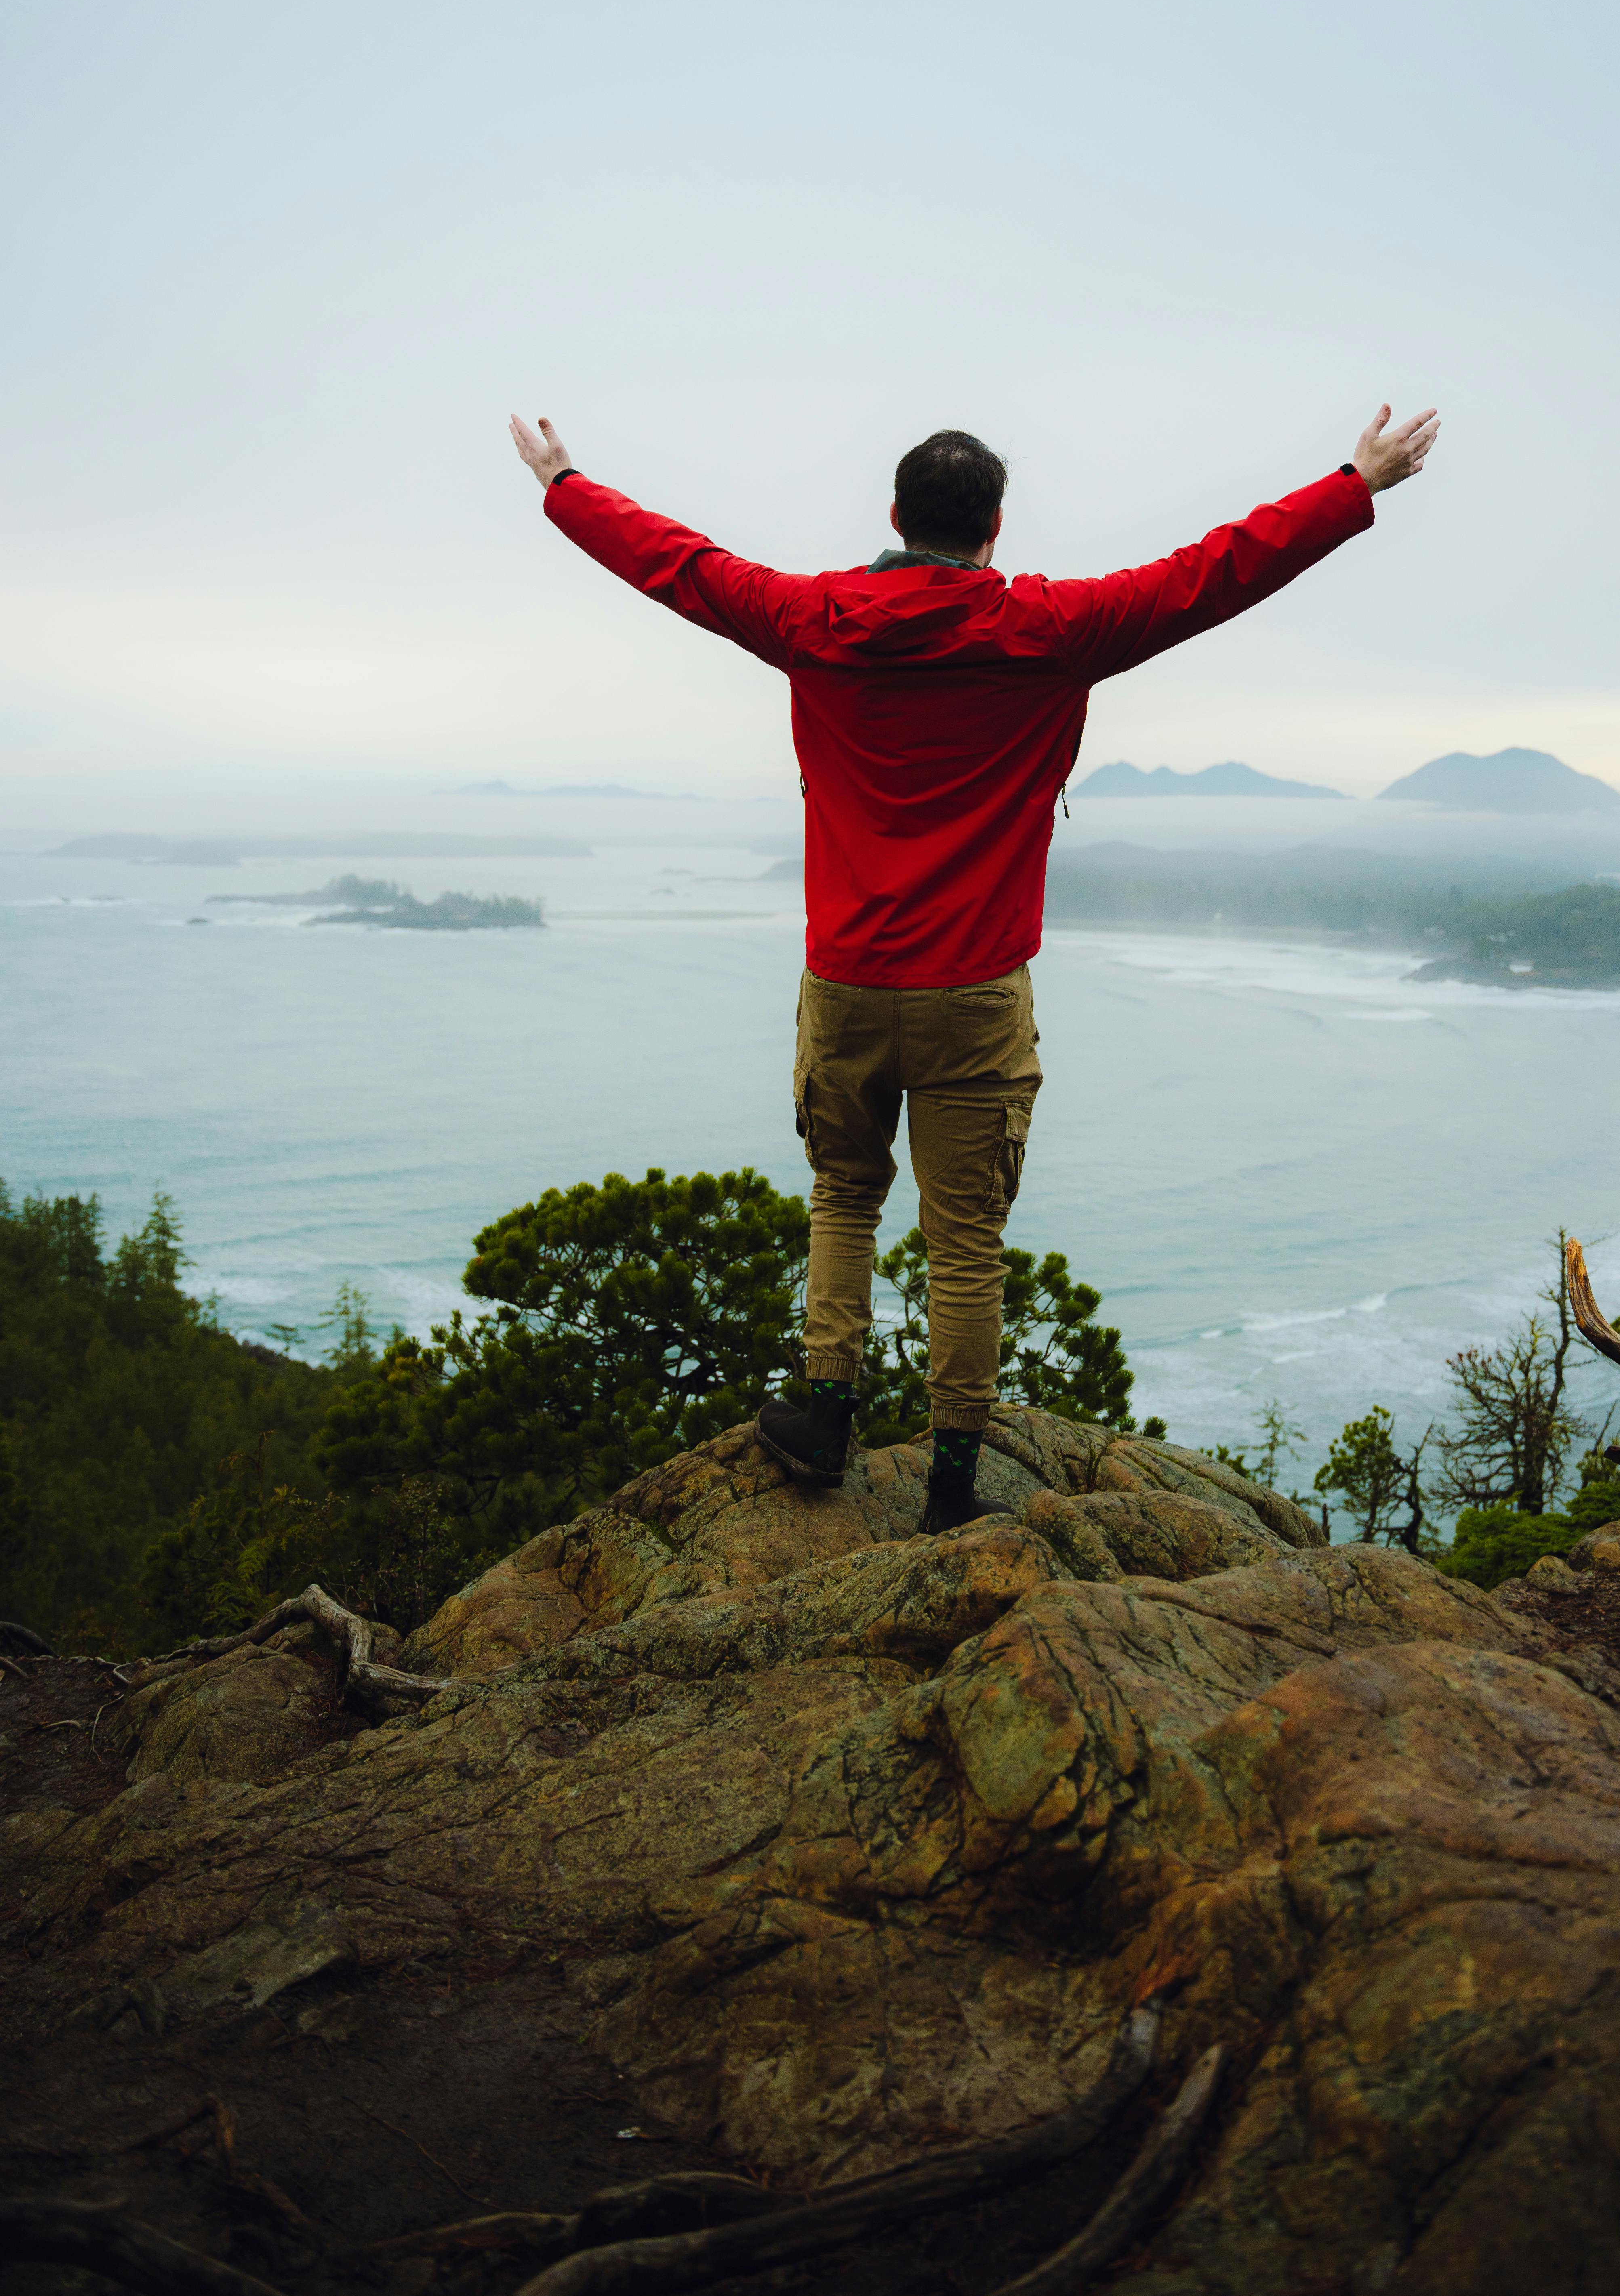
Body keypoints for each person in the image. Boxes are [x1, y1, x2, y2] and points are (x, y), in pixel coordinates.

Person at [510, 402, 1437, 1532]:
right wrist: (1356, 482)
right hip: (977, 992)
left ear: (894, 516)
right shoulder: (1056, 629)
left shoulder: (816, 621)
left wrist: (564, 484)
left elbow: (679, 564)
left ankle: (824, 1413)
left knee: (845, 1195)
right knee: (967, 1246)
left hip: (847, 981)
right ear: (996, 528)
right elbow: (1218, 572)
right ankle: (954, 1478)